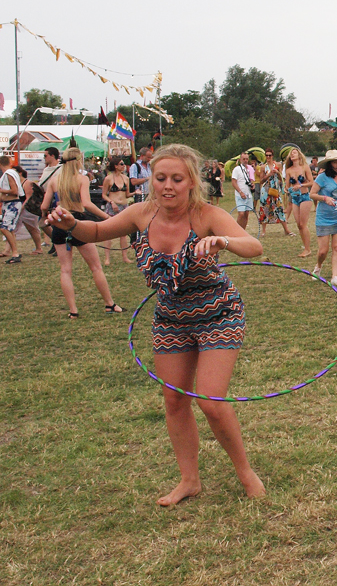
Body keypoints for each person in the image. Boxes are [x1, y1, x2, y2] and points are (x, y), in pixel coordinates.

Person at [47, 143, 265, 504]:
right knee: (174, 399)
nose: (168, 186)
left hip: (217, 314)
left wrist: (223, 240)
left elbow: (254, 247)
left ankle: (246, 473)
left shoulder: (206, 215)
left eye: (177, 179)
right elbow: (96, 232)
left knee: (210, 399)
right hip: (170, 318)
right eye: (161, 178)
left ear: (191, 181)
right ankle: (189, 480)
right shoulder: (140, 213)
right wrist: (71, 224)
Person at [39, 147, 122, 316]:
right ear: (78, 161)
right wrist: (107, 217)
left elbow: (44, 206)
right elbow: (87, 204)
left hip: (60, 223)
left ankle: (73, 311)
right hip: (78, 223)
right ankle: (109, 304)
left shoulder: (55, 181)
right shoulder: (82, 179)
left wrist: (47, 215)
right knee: (96, 267)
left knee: (65, 270)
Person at [309, 150, 337, 286]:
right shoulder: (321, 177)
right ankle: (318, 266)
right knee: (323, 251)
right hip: (324, 218)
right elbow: (312, 194)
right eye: (334, 162)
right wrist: (324, 198)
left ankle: (334, 276)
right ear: (329, 164)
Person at [100, 156, 132, 265]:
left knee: (123, 233)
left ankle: (125, 257)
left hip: (123, 206)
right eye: (121, 164)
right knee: (108, 232)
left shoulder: (125, 178)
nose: (124, 166)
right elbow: (104, 194)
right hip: (112, 206)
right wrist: (111, 202)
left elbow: (127, 194)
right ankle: (107, 258)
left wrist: (135, 193)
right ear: (116, 166)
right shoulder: (108, 179)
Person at [282, 147, 314, 258]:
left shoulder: (305, 167)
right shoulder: (288, 170)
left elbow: (311, 182)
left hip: (305, 196)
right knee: (299, 225)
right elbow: (287, 186)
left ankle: (307, 249)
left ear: (299, 155)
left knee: (303, 224)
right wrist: (286, 189)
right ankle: (305, 247)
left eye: (294, 153)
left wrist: (301, 185)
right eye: (291, 154)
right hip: (295, 198)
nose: (292, 155)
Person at [257, 149, 292, 237]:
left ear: (272, 156)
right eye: (266, 155)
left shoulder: (277, 165)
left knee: (279, 208)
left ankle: (286, 230)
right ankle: (263, 231)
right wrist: (268, 175)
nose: (268, 157)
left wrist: (277, 172)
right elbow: (261, 181)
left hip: (275, 189)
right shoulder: (263, 167)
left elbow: (281, 178)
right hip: (265, 190)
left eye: (270, 155)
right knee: (264, 209)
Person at [0, 155, 25, 263]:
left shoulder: (8, 174)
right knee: (10, 229)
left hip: (12, 203)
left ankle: (15, 252)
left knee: (4, 228)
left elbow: (14, 191)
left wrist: (1, 190)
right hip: (10, 203)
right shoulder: (12, 173)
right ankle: (11, 251)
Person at [231, 152, 254, 230]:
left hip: (248, 194)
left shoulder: (249, 169)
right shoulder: (237, 169)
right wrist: (240, 192)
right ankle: (236, 230)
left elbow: (250, 180)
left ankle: (243, 231)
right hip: (240, 195)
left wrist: (252, 185)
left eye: (247, 159)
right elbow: (233, 182)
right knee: (241, 214)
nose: (245, 160)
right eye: (244, 159)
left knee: (246, 214)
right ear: (240, 159)